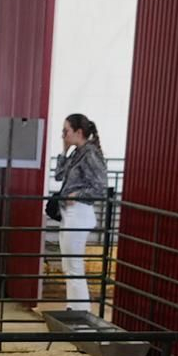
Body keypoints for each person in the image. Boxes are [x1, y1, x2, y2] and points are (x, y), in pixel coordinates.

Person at [51, 113, 109, 313]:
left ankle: (81, 310)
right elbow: (59, 176)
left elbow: (101, 186)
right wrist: (64, 151)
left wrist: (78, 194)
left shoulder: (90, 153)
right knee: (68, 263)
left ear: (79, 132)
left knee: (74, 263)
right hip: (69, 212)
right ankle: (73, 306)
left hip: (80, 212)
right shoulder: (78, 152)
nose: (63, 135)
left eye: (66, 131)